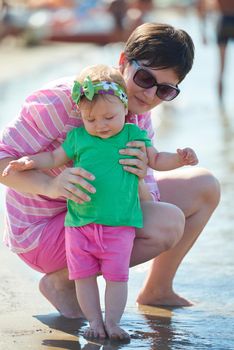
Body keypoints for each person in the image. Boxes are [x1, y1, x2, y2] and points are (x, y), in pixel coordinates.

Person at [0, 23, 220, 320]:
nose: (150, 95)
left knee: (204, 185)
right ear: (122, 62)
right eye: (144, 78)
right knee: (167, 223)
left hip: (98, 210)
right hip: (44, 230)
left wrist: (140, 176)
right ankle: (62, 280)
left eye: (165, 90)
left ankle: (157, 289)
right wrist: (50, 186)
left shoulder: (137, 119)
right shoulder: (62, 102)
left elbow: (147, 202)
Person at [197, 0, 234, 103]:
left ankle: (220, 105)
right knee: (221, 69)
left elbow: (201, 6)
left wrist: (203, 31)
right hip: (223, 21)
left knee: (221, 69)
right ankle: (221, 108)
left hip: (222, 21)